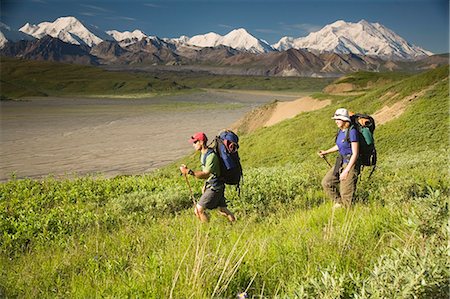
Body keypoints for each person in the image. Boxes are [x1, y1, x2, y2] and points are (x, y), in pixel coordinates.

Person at [180, 132, 236, 223]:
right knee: (222, 209)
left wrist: (189, 172)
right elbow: (210, 174)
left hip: (215, 187)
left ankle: (207, 231)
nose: (193, 145)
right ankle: (235, 225)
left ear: (201, 142)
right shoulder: (204, 154)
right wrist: (205, 184)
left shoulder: (211, 156)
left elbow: (206, 174)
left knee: (198, 210)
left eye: (195, 142)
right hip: (216, 185)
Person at [318, 108, 360, 208]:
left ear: (345, 120)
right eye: (335, 119)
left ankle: (349, 213)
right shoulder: (341, 131)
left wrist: (346, 171)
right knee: (327, 182)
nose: (336, 121)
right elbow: (340, 146)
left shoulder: (352, 132)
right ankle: (339, 203)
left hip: (350, 163)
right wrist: (326, 152)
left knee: (345, 192)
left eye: (338, 119)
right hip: (340, 161)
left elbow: (355, 153)